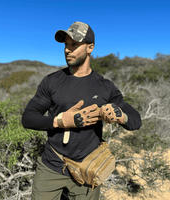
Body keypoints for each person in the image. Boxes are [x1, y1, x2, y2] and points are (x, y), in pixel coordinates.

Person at [22, 21, 142, 200]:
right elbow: (28, 118)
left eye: (74, 45)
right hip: (51, 167)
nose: (67, 50)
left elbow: (135, 120)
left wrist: (119, 115)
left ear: (90, 48)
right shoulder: (52, 81)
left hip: (87, 170)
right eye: (66, 45)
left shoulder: (105, 86)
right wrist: (61, 121)